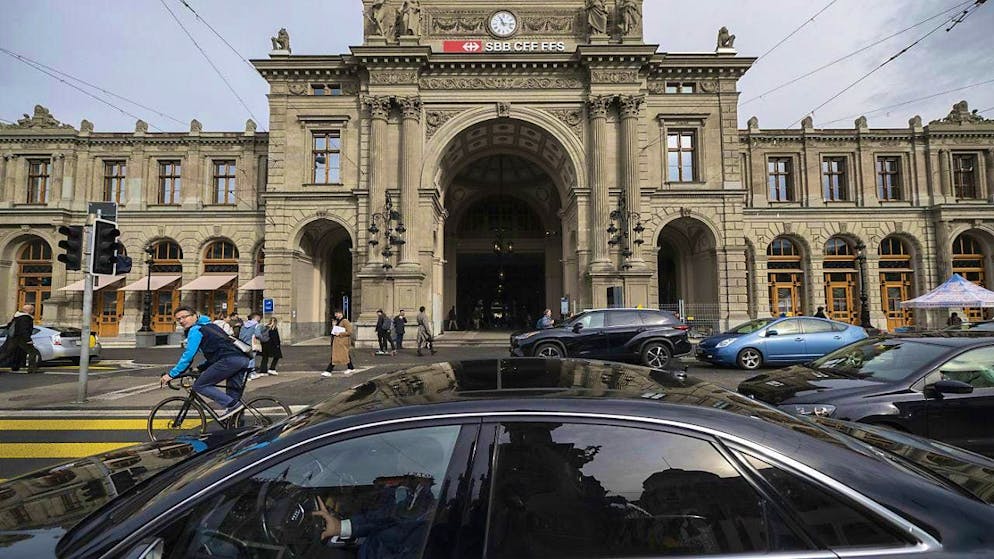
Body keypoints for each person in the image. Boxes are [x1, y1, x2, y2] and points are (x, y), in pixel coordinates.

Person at [160, 306, 250, 420]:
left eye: (184, 317)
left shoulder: (196, 330)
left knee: (200, 385)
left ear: (194, 315)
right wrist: (201, 368)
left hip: (229, 360)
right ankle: (238, 428)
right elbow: (217, 351)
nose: (181, 321)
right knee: (233, 396)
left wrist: (172, 374)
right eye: (178, 319)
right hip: (241, 359)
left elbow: (188, 356)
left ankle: (233, 407)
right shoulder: (210, 325)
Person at [0, 304, 41, 374]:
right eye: (33, 309)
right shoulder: (25, 318)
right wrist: (28, 340)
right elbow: (24, 330)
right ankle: (32, 369)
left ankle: (15, 366)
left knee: (8, 352)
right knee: (32, 352)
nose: (33, 311)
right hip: (21, 338)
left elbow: (9, 326)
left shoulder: (17, 317)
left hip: (13, 337)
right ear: (30, 310)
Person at [323, 309, 355, 377]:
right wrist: (334, 325)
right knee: (345, 354)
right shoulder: (339, 321)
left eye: (336, 314)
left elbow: (350, 331)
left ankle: (328, 370)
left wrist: (340, 333)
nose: (335, 315)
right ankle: (351, 367)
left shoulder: (345, 321)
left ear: (340, 313)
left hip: (341, 342)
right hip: (338, 342)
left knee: (335, 356)